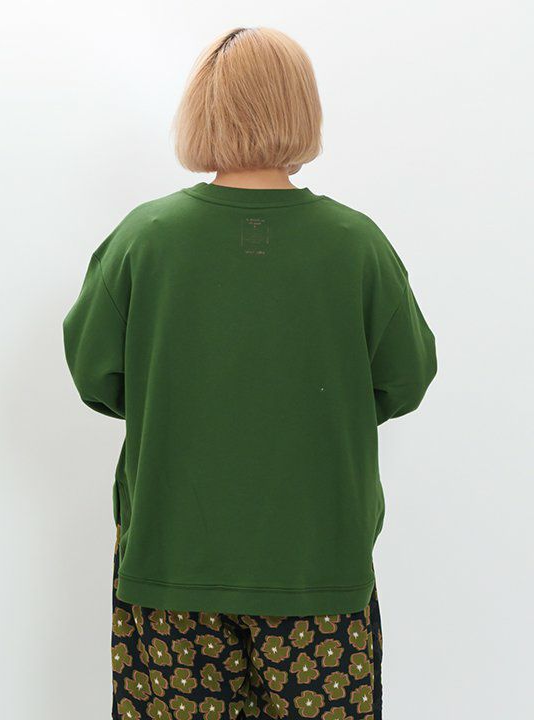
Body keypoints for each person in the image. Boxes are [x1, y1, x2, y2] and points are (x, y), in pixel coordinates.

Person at [63, 26, 437, 720]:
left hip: (170, 564)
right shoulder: (355, 244)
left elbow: (96, 375)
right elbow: (405, 378)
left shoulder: (145, 239)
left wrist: (182, 392)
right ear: (303, 109)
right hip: (318, 571)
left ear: (201, 108)